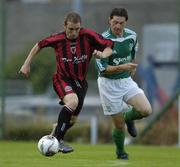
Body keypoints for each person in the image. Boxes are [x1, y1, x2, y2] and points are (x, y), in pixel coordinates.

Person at [19, 12, 113, 154]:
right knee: (72, 102)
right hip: (62, 79)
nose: (74, 32)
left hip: (81, 83)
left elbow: (109, 46)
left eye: (77, 29)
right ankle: (59, 140)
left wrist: (102, 54)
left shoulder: (88, 36)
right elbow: (39, 45)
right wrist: (26, 64)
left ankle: (57, 129)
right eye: (71, 29)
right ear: (65, 27)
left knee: (72, 120)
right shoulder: (58, 39)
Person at [96, 8, 152, 160]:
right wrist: (123, 67)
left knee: (146, 110)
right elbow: (103, 70)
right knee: (119, 126)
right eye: (115, 22)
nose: (118, 26)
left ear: (125, 22)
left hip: (126, 81)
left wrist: (131, 66)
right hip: (108, 85)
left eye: (121, 23)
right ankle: (121, 153)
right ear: (109, 21)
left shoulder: (132, 35)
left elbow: (132, 54)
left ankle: (128, 117)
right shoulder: (102, 39)